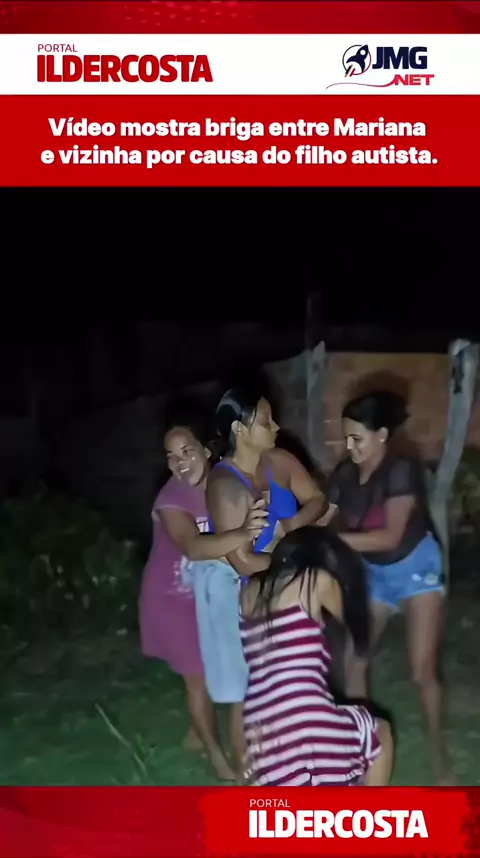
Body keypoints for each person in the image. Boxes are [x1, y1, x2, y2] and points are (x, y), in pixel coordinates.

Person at [193, 386, 330, 777]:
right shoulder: (226, 486)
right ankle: (248, 778)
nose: (277, 427)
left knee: (291, 679)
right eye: (266, 421)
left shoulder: (280, 461)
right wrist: (292, 564)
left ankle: (293, 760)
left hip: (282, 579)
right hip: (239, 589)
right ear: (240, 429)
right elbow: (243, 563)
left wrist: (290, 525)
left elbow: (317, 499)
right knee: (247, 690)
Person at [327, 389, 451, 784]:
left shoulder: (400, 470)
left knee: (421, 670)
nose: (350, 447)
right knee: (354, 657)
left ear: (381, 434)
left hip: (415, 567)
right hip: (375, 574)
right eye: (346, 438)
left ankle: (438, 752)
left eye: (357, 438)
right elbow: (323, 515)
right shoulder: (345, 475)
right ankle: (360, 748)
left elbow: (390, 536)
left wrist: (332, 541)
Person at [138, 405, 267, 781]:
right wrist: (243, 534)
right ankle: (217, 758)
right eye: (171, 456)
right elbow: (194, 547)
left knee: (232, 669)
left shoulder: (225, 483)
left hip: (212, 593)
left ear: (207, 450)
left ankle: (199, 734)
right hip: (173, 599)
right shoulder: (170, 500)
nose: (179, 462)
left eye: (187, 451)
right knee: (197, 677)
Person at [239, 525, 394, 786]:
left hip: (259, 720)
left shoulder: (248, 592)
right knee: (379, 731)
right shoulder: (315, 581)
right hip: (303, 712)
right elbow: (351, 622)